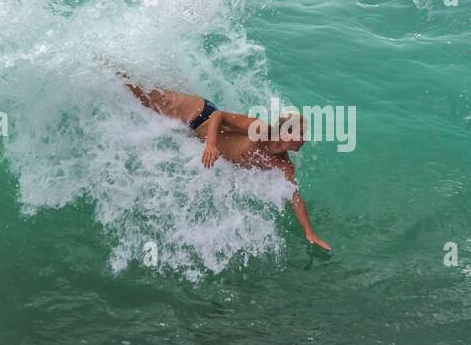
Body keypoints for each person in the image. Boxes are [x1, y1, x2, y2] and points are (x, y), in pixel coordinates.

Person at [123, 80, 330, 251]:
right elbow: (218, 115)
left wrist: (309, 231)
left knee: (147, 102)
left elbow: (295, 197)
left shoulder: (283, 164)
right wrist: (211, 145)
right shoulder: (259, 130)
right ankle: (110, 69)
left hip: (192, 134)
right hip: (198, 115)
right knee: (142, 95)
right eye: (300, 134)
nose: (304, 139)